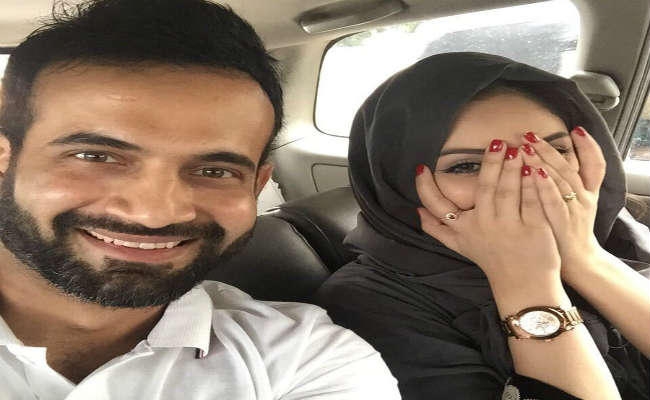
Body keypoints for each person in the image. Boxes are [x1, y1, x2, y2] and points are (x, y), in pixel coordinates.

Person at [0, 0, 401, 398]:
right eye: (95, 156)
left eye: (215, 172)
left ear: (256, 186)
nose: (155, 214)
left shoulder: (305, 357)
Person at [315, 52, 650, 399]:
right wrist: (525, 281)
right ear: (398, 184)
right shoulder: (368, 302)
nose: (524, 181)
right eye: (467, 166)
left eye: (553, 151)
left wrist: (583, 257)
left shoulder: (611, 230)